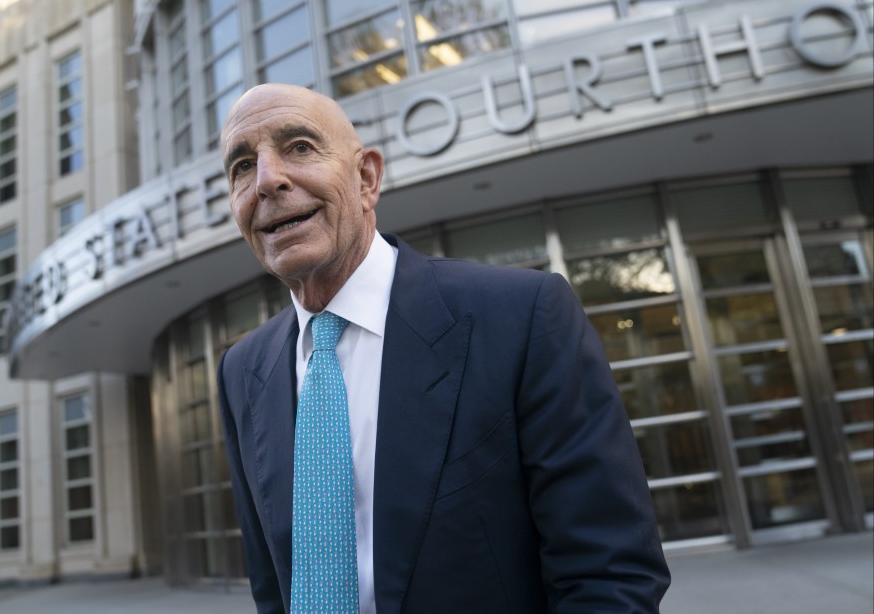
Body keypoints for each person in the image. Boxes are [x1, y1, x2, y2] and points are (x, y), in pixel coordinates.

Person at [216, 83, 670, 614]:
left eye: (299, 147)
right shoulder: (242, 371)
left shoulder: (523, 317)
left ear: (366, 179)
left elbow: (610, 575)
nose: (268, 180)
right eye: (242, 166)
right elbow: (274, 590)